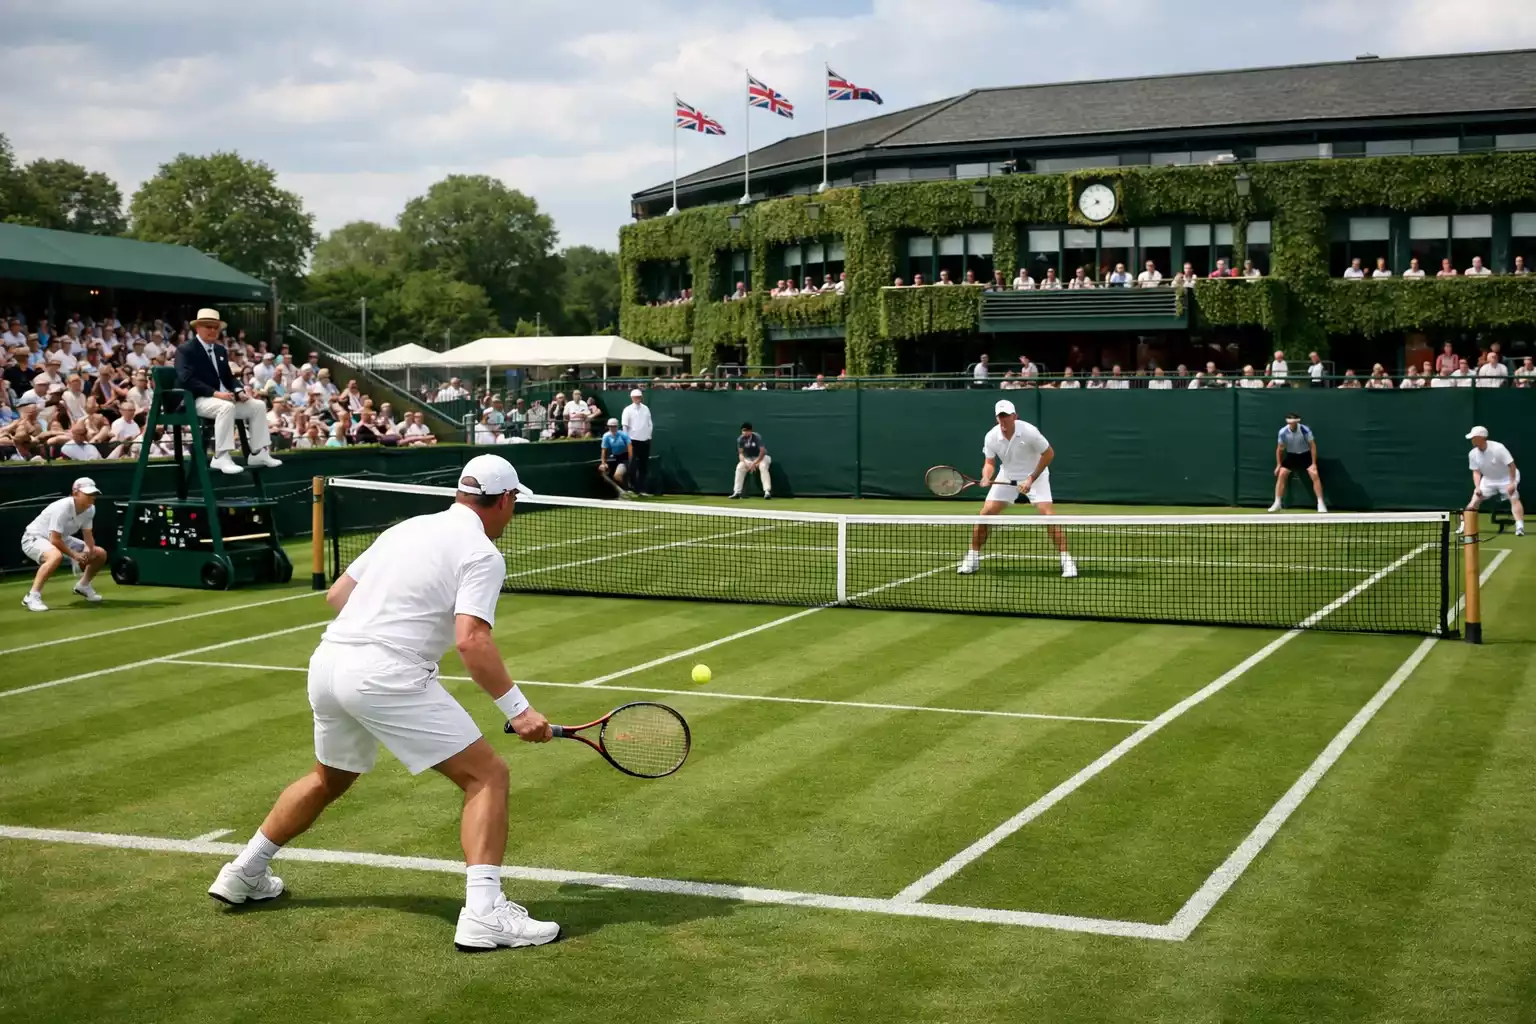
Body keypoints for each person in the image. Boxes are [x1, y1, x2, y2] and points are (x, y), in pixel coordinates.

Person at [207, 455, 560, 951]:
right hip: (384, 675)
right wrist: (519, 711)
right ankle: (484, 914)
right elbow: (471, 641)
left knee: (329, 777)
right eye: (514, 502)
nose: (513, 511)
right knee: (487, 777)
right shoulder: (482, 553)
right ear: (503, 501)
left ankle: (244, 871)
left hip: (329, 664)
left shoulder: (407, 528)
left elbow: (337, 596)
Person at [957, 399, 1076, 578]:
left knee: (1049, 516)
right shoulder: (991, 436)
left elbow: (1049, 453)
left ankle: (1067, 561)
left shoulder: (1029, 432)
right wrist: (986, 476)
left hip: (1036, 475)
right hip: (1007, 475)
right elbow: (989, 463)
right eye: (1000, 417)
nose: (1003, 421)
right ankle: (972, 558)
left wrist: (1030, 479)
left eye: (1006, 416)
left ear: (1014, 416)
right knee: (985, 514)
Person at [175, 309, 281, 475]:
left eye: (215, 327)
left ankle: (258, 453)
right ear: (198, 328)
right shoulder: (186, 350)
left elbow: (228, 377)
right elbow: (185, 379)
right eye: (208, 326)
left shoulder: (220, 350)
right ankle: (221, 456)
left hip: (222, 399)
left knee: (258, 406)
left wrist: (239, 390)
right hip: (195, 399)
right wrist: (215, 393)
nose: (212, 330)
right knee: (226, 407)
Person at [20, 477, 108, 612]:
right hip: (34, 538)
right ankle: (32, 596)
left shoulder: (90, 509)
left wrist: (88, 549)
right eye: (88, 494)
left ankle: (83, 586)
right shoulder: (63, 507)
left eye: (93, 494)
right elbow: (54, 539)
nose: (92, 498)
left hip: (62, 538)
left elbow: (88, 535)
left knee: (99, 553)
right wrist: (75, 555)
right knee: (55, 556)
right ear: (75, 493)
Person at [1462, 426, 1524, 537]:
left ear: (1482, 438)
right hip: (1488, 479)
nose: (1472, 440)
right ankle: (1465, 525)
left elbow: (1512, 466)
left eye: (1474, 437)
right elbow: (1476, 472)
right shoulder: (1472, 454)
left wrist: (1512, 483)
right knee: (1474, 500)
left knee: (1513, 497)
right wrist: (1477, 487)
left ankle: (1520, 527)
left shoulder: (1498, 448)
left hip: (1507, 477)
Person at [1270, 414, 1327, 513]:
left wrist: (1313, 463)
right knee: (1282, 473)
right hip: (1291, 456)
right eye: (1290, 421)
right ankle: (1277, 503)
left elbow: (1312, 446)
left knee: (1314, 474)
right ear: (1288, 422)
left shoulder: (1305, 430)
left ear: (1297, 421)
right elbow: (1279, 449)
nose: (1292, 423)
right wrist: (1278, 465)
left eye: (1294, 421)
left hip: (1305, 455)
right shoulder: (1283, 432)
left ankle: (1321, 503)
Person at [621, 388, 653, 494]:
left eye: (639, 397)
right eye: (635, 397)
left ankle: (641, 489)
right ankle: (631, 487)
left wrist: (649, 436)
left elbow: (650, 424)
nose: (637, 399)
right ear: (632, 398)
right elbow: (625, 426)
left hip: (645, 441)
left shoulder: (646, 409)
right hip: (632, 441)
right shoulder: (627, 410)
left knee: (643, 466)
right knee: (632, 465)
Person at [731, 422, 772, 499]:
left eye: (746, 431)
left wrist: (755, 463)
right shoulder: (740, 439)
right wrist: (746, 463)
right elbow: (741, 454)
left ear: (750, 431)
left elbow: (762, 452)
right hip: (748, 459)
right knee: (740, 467)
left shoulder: (757, 437)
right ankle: (737, 492)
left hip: (762, 458)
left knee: (763, 467)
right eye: (743, 431)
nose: (744, 432)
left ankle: (767, 491)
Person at [598, 418, 634, 498]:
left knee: (617, 476)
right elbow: (604, 450)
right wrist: (603, 463)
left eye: (614, 426)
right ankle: (621, 492)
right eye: (610, 426)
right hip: (615, 458)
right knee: (602, 471)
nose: (612, 428)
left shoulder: (623, 435)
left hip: (625, 458)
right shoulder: (606, 436)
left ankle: (626, 490)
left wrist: (631, 460)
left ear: (617, 427)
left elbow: (630, 447)